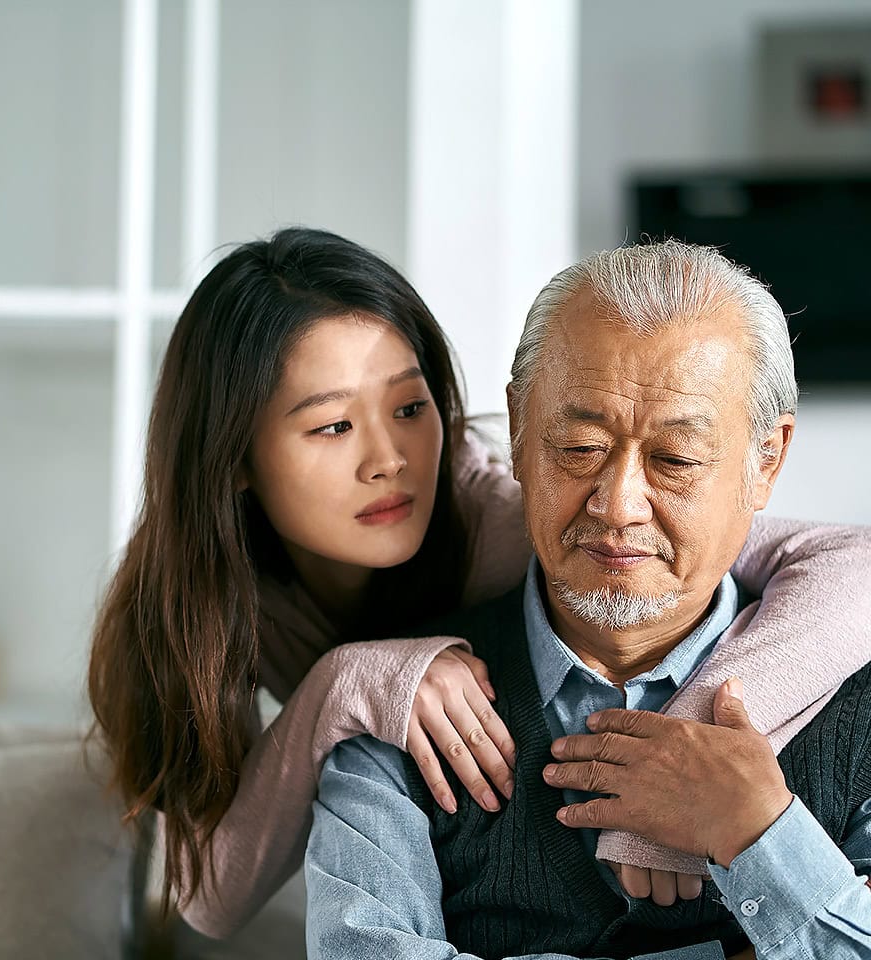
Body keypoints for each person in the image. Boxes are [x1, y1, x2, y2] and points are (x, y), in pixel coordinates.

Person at [87, 227, 871, 937]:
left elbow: (825, 563)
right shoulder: (194, 597)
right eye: (331, 425)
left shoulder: (513, 519)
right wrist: (344, 685)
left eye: (409, 406)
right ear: (234, 458)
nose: (388, 459)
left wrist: (692, 750)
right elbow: (210, 895)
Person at [304, 239, 871, 959]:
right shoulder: (401, 720)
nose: (618, 504)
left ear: (767, 462)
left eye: (675, 460)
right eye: (578, 448)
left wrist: (761, 832)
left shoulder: (862, 698)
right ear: (517, 431)